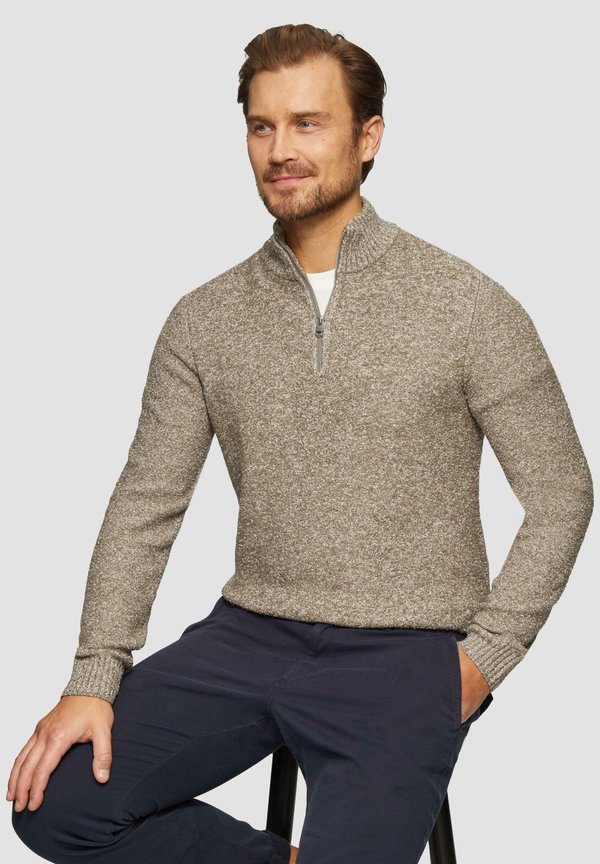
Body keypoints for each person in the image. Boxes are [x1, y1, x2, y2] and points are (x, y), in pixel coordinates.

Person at [8, 22, 594, 864]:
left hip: (408, 653)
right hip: (247, 636)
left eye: (308, 123)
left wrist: (483, 660)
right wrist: (93, 676)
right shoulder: (204, 320)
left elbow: (562, 490)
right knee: (54, 805)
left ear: (369, 137)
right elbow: (145, 505)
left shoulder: (468, 305)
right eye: (262, 126)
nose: (281, 149)